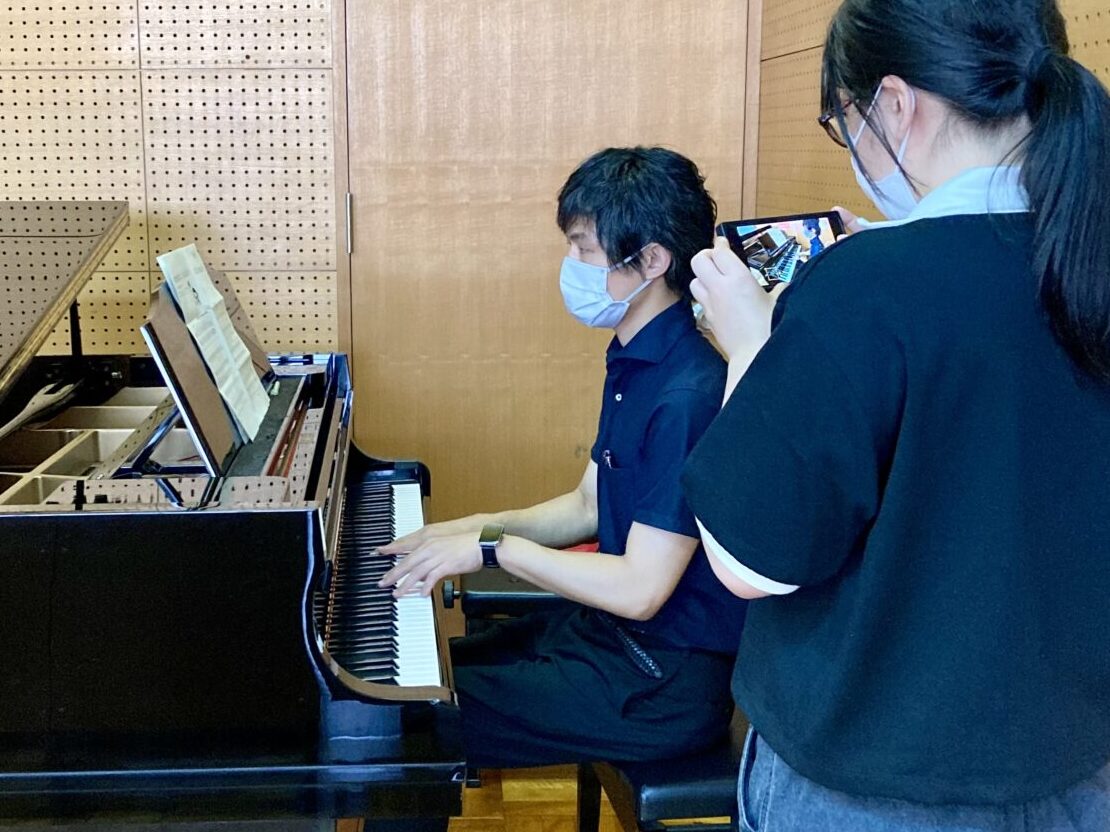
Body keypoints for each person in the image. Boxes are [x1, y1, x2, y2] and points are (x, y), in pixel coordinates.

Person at [681, 1, 1110, 829]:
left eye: (845, 120)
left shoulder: (863, 290)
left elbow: (750, 560)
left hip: (874, 786)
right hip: (1075, 772)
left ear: (895, 103)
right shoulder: (1081, 262)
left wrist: (749, 346)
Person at [379, 146, 748, 768]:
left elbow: (640, 589)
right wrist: (467, 528)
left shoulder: (688, 393)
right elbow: (587, 505)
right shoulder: (639, 358)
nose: (570, 266)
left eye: (584, 249)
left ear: (652, 260)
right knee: (415, 680)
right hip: (610, 637)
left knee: (410, 720)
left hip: (657, 683)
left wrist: (492, 550)